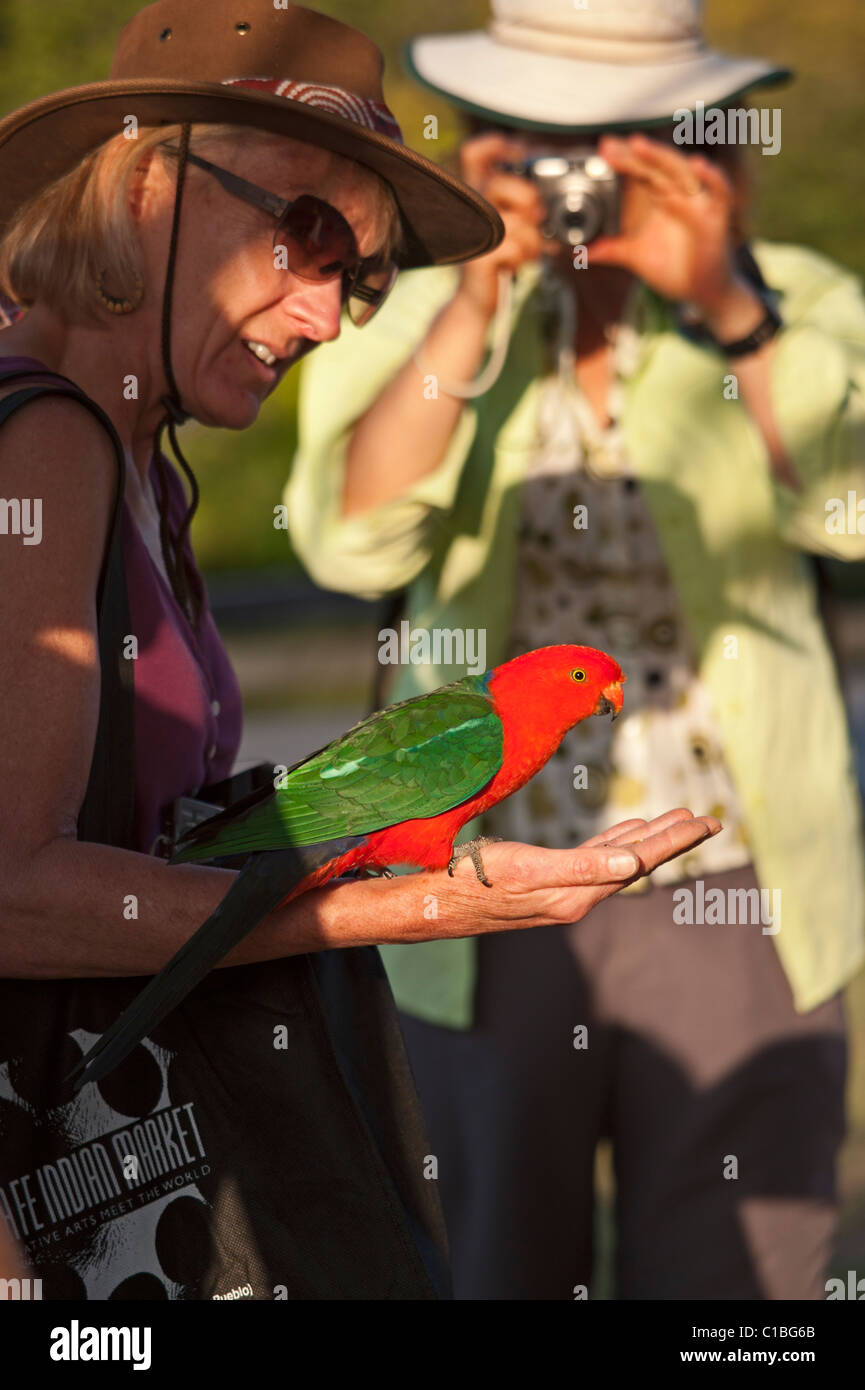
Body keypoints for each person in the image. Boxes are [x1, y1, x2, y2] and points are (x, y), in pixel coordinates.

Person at [0, 0, 717, 1302]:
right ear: (151, 187)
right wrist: (441, 897)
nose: (332, 315)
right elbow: (14, 889)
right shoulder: (48, 446)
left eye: (366, 275)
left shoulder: (138, 462)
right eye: (306, 238)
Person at [287, 0, 865, 1299]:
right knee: (494, 1260)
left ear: (694, 141)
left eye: (629, 134)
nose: (584, 172)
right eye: (545, 136)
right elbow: (350, 541)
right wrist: (468, 293)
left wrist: (726, 303)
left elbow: (849, 507)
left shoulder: (794, 302)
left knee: (737, 1292)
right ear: (492, 141)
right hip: (483, 883)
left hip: (736, 887)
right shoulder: (407, 318)